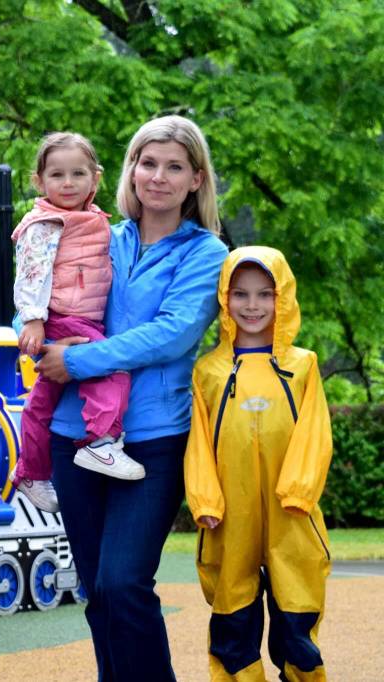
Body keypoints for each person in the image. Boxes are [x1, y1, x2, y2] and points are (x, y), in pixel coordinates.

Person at [35, 115, 228, 680]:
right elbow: (51, 299)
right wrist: (43, 336)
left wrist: (77, 359)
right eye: (148, 163)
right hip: (76, 435)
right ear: (130, 170)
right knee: (99, 592)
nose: (158, 177)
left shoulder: (205, 253)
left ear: (196, 179)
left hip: (153, 441)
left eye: (174, 167)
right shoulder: (95, 234)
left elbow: (172, 333)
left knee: (124, 582)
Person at [185, 247, 332, 681]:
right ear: (224, 299)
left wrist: (300, 491)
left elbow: (315, 433)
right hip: (230, 514)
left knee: (297, 611)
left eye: (265, 294)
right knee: (233, 614)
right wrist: (205, 500)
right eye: (241, 294)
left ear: (282, 297)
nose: (252, 306)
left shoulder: (302, 365)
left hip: (293, 514)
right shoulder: (209, 371)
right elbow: (198, 444)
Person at [10, 132, 141, 513]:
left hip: (74, 314)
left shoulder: (94, 220)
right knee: (110, 367)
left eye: (77, 174)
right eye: (57, 175)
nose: (67, 183)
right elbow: (31, 273)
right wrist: (32, 321)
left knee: (40, 402)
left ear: (96, 178)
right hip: (66, 316)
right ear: (39, 182)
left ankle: (31, 472)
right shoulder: (46, 223)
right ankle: (100, 442)